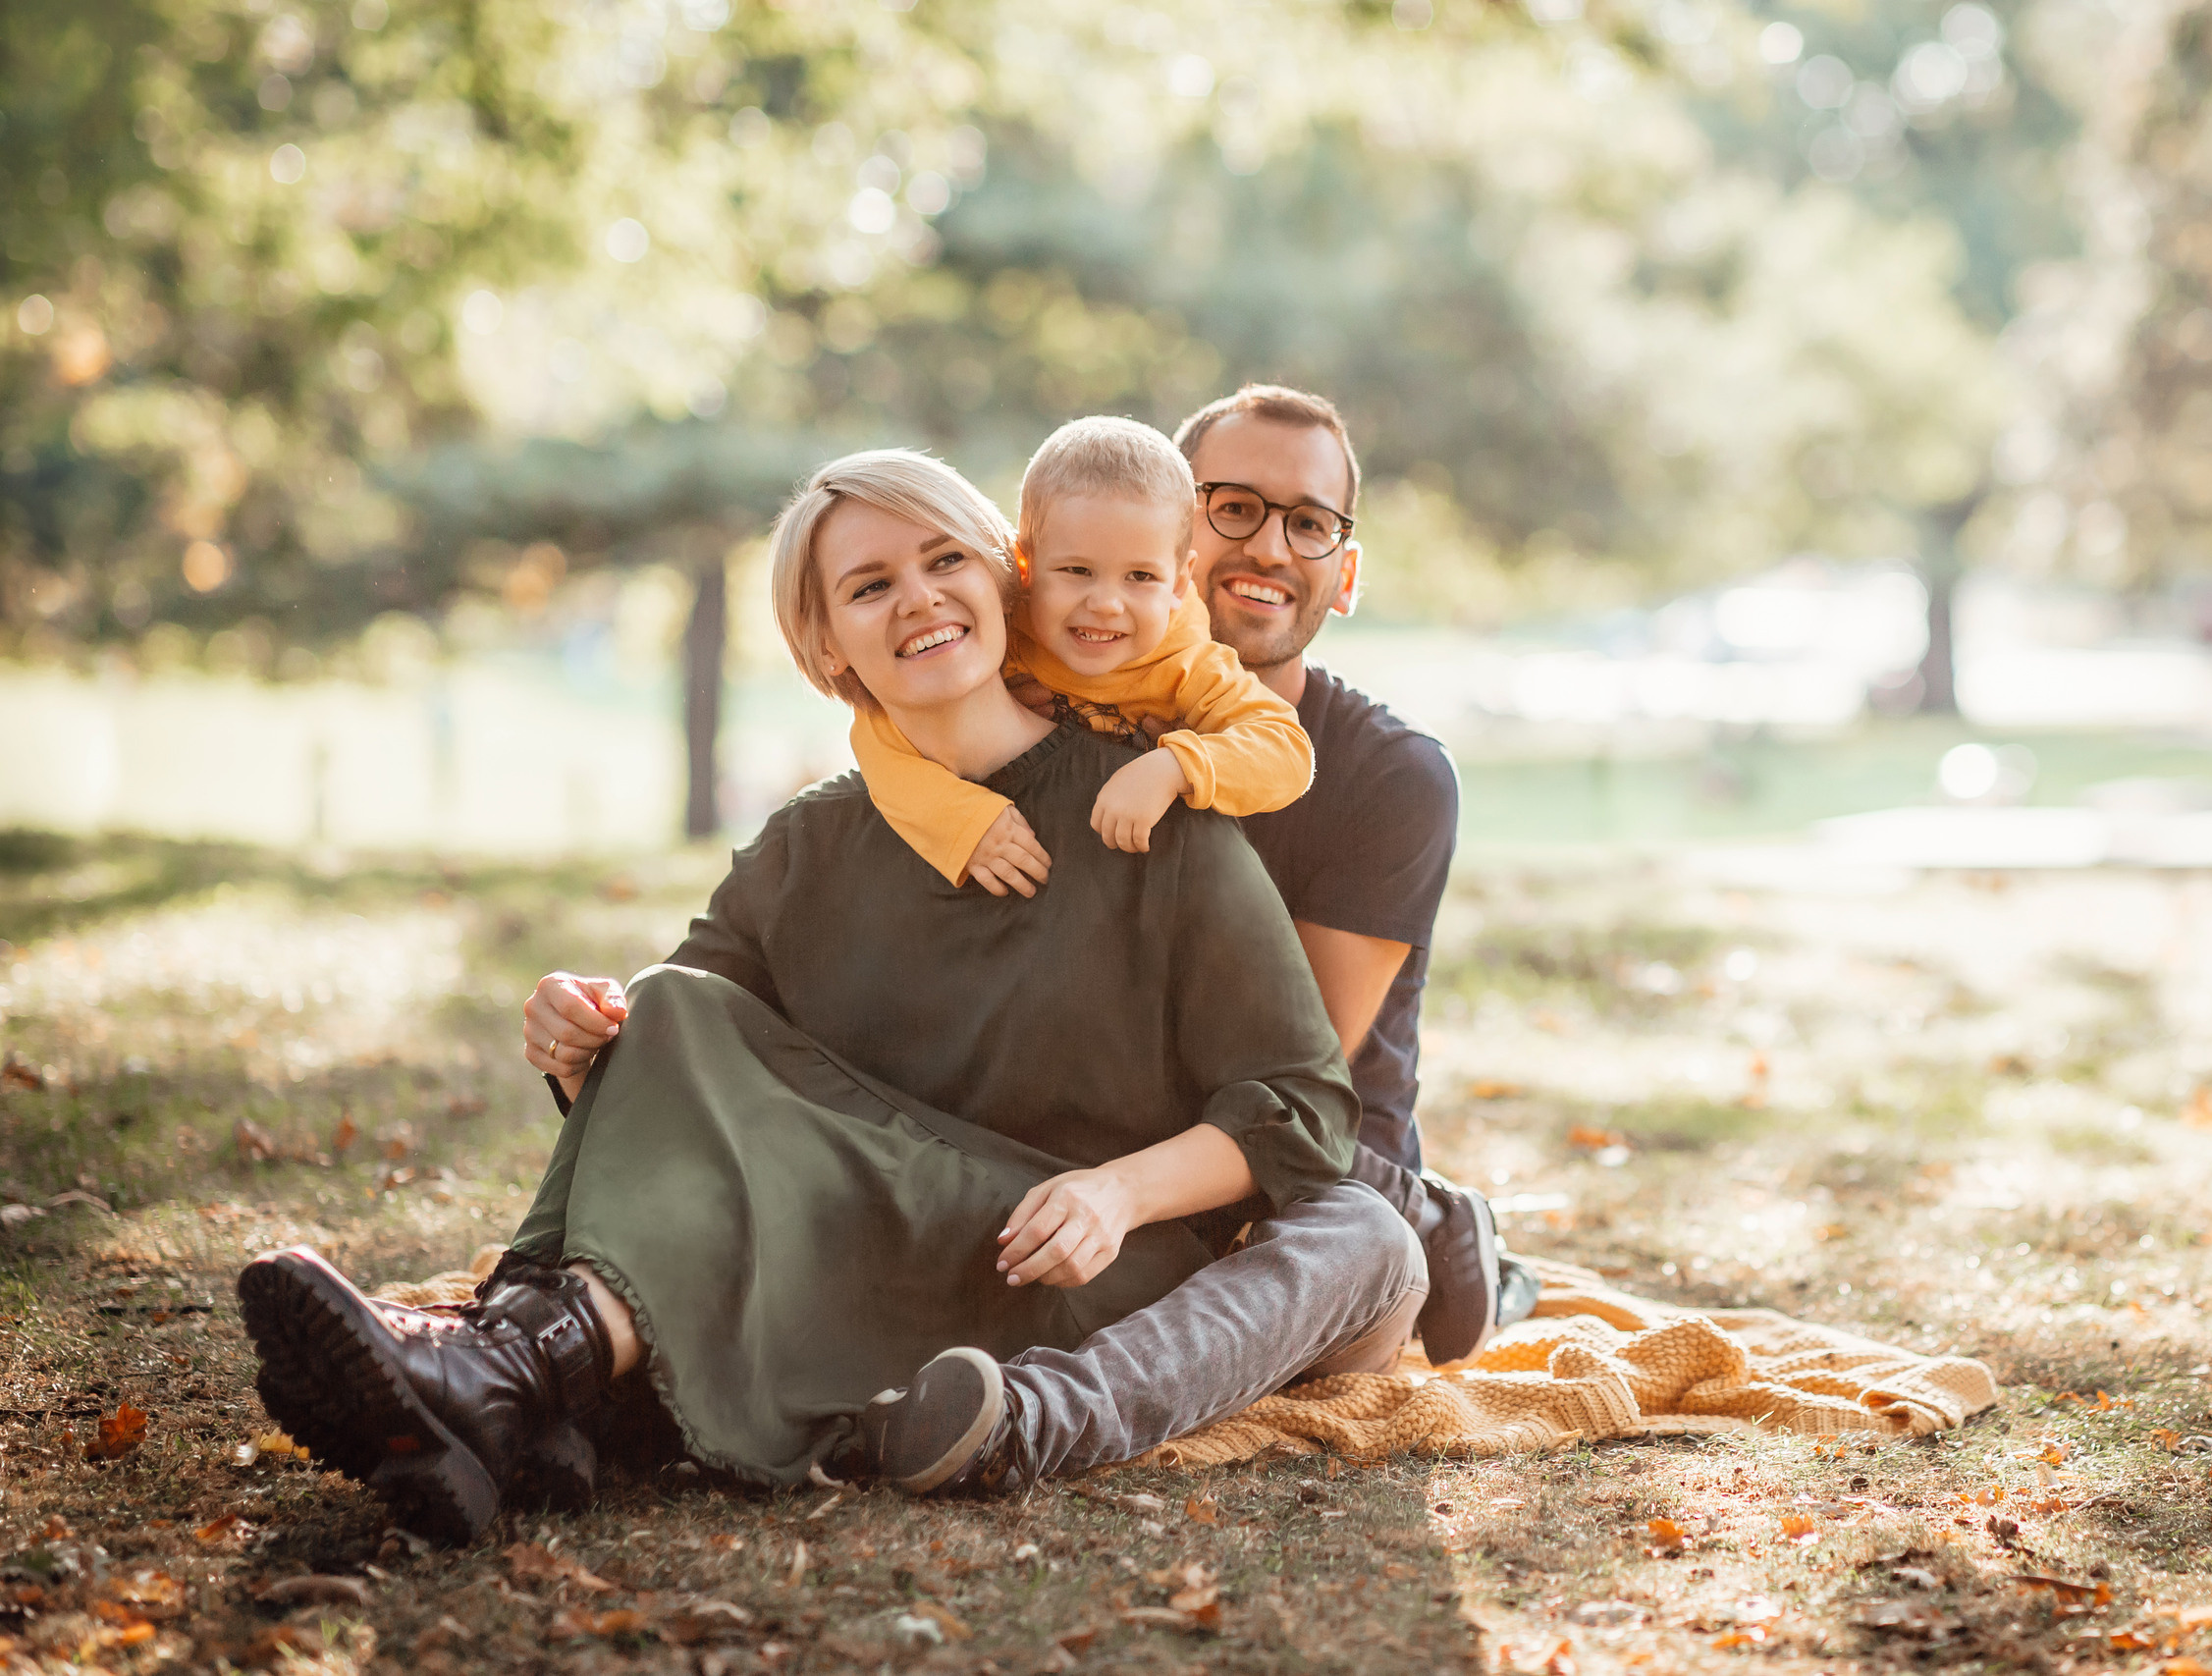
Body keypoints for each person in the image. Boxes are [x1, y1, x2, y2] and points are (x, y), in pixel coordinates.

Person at [236, 449, 1425, 1544]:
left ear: (1005, 584)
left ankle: (526, 1382)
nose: (917, 599)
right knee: (671, 1004)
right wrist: (574, 1033)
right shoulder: (808, 848)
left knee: (1364, 1228)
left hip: (1045, 1271)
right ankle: (518, 1374)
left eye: (945, 559)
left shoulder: (1155, 820)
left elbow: (1303, 1112)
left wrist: (1116, 1196)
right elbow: (668, 1069)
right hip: (848, 1257)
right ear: (823, 648)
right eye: (868, 586)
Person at [1173, 385, 1541, 1359]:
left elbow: (1282, 1075)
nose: (1269, 549)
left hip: (1312, 1168)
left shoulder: (1393, 778)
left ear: (1343, 574)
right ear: (1168, 527)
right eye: (1234, 506)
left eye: (1308, 524)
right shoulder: (1083, 729)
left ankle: (1428, 1221)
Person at [850, 415, 1311, 896]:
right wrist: (958, 821)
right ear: (1023, 565)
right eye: (1077, 570)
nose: (1106, 604)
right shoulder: (997, 635)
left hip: (1132, 882)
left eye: (1140, 577)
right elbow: (879, 728)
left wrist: (1173, 767)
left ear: (1179, 583)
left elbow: (1286, 750)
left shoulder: (1190, 664)